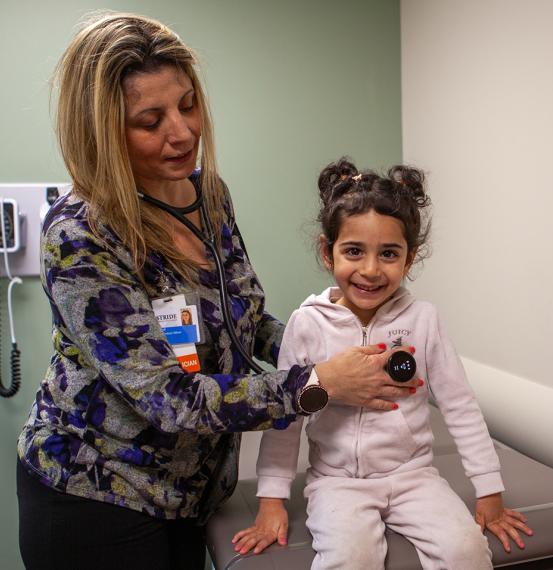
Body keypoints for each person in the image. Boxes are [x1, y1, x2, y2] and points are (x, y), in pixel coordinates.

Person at [18, 13, 414, 569]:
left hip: (195, 491)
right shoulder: (81, 236)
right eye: (149, 120)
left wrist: (339, 337)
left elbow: (244, 320)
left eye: (186, 104)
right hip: (99, 494)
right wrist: (319, 382)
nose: (181, 133)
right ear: (101, 131)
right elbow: (169, 401)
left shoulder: (207, 195)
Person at [230, 160, 533, 568]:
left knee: (466, 551)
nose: (370, 270)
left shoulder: (422, 321)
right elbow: (288, 419)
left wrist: (489, 491)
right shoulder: (306, 324)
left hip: (413, 476)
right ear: (327, 251)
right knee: (350, 559)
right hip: (337, 483)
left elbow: (460, 406)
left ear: (409, 260)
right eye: (354, 251)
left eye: (389, 254)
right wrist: (271, 501)